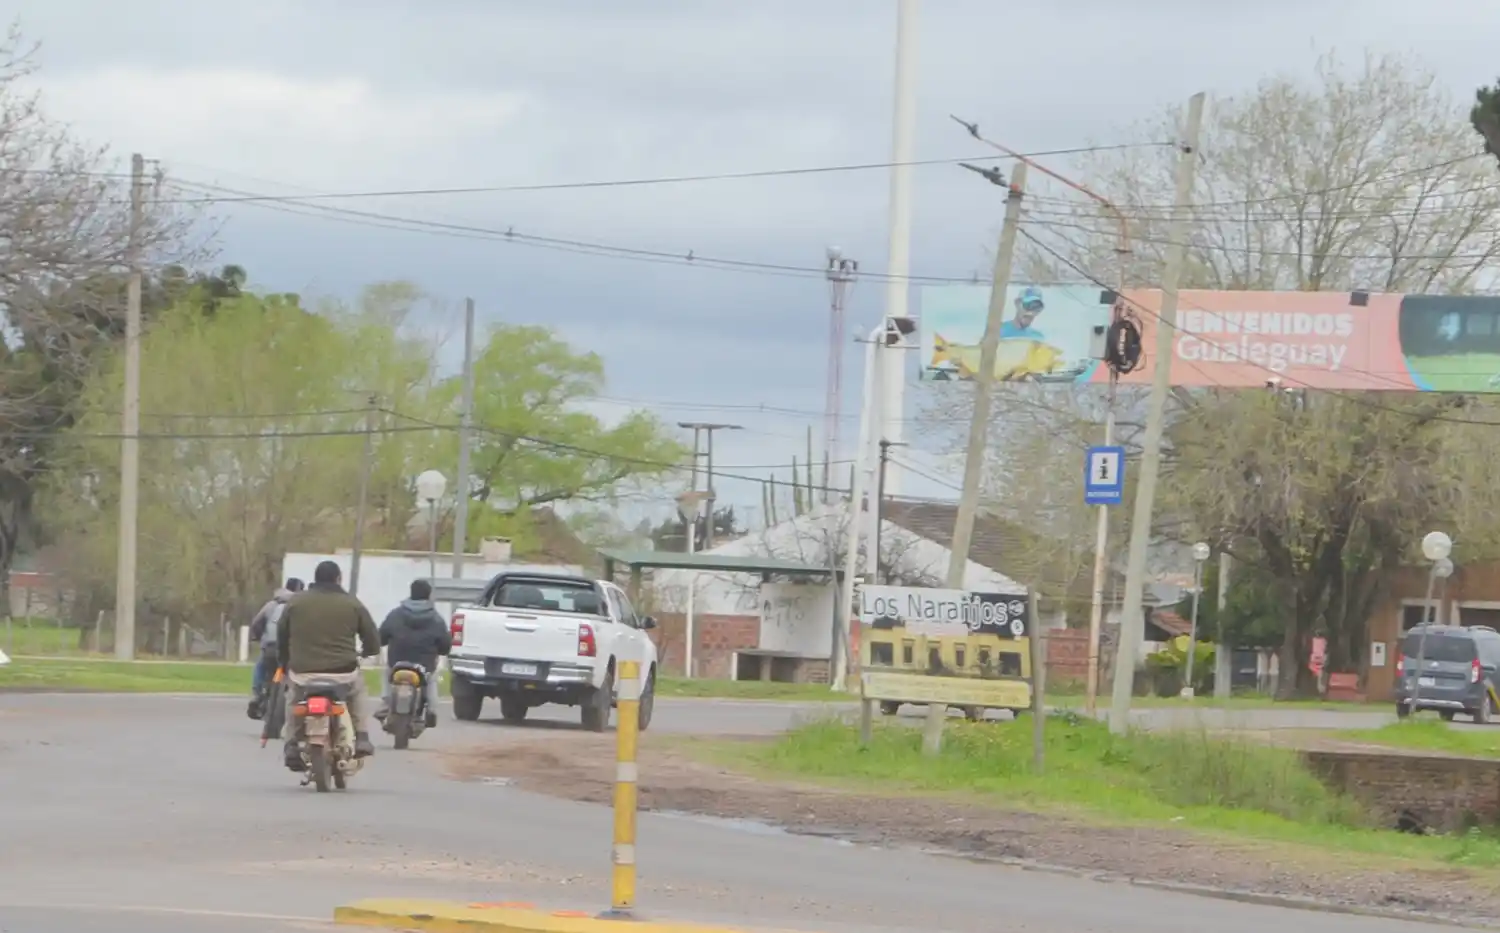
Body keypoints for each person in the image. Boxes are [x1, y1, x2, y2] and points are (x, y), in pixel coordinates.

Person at [276, 560, 380, 770]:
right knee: (357, 692)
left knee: (294, 699)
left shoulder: (295, 602)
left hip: (303, 672)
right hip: (343, 672)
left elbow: (282, 635)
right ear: (338, 579)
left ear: (315, 579)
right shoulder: (352, 603)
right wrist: (367, 652)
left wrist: (286, 661)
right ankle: (361, 736)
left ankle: (291, 743)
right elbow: (372, 639)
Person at [375, 579, 452, 729]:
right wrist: (440, 650)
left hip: (397, 662)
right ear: (429, 596)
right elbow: (444, 645)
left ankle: (385, 704)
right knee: (431, 679)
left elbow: (381, 637)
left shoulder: (395, 614)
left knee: (387, 674)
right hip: (424, 665)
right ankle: (431, 709)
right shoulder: (436, 619)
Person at [247, 578, 303, 712]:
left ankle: (257, 693)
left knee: (260, 665)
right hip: (290, 649)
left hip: (270, 647)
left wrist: (258, 637)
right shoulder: (298, 606)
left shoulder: (271, 605)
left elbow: (256, 623)